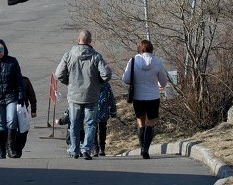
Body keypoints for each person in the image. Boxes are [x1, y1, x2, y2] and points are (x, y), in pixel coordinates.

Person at [55, 29, 111, 161]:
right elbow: (106, 74)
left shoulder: (68, 55)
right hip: (91, 95)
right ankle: (86, 150)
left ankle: (74, 150)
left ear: (78, 40)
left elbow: (59, 74)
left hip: (74, 96)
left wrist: (69, 82)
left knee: (74, 123)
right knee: (90, 124)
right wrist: (98, 83)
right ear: (90, 41)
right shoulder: (96, 56)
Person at [122, 39, 169, 160]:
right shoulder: (157, 62)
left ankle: (142, 147)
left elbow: (126, 79)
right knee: (150, 123)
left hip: (138, 96)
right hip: (153, 96)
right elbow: (163, 82)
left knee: (141, 122)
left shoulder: (132, 61)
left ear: (139, 49)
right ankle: (145, 150)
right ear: (151, 49)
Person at [0, 39, 25, 159]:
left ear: (4, 50)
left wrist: (21, 97)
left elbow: (19, 80)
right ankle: (1, 150)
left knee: (11, 121)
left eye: (0, 51)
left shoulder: (12, 62)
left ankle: (10, 148)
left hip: (11, 97)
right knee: (1, 125)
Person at [92, 81, 117, 157]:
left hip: (92, 111)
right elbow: (111, 98)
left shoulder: (90, 82)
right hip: (103, 111)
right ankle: (101, 149)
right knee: (102, 129)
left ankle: (95, 149)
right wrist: (113, 111)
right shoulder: (106, 84)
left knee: (93, 129)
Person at [15, 74, 37, 157]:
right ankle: (12, 148)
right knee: (12, 129)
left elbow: (32, 95)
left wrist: (33, 110)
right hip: (11, 109)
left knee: (24, 130)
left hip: (23, 109)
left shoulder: (25, 80)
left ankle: (19, 148)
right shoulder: (7, 79)